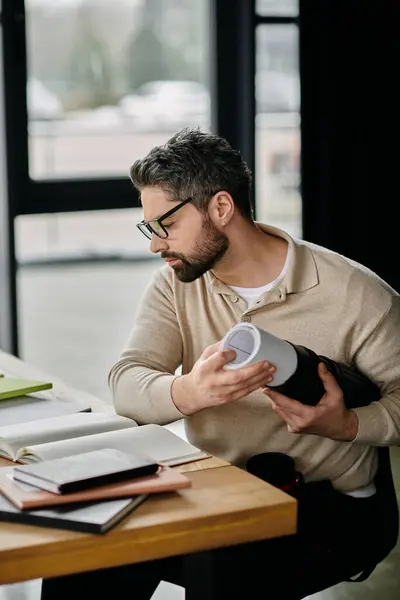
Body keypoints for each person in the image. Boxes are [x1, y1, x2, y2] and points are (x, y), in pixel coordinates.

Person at [41, 128, 400, 599]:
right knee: (86, 552)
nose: (155, 244)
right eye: (148, 228)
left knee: (227, 572)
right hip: (217, 489)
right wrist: (190, 392)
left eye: (164, 225)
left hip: (326, 505)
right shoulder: (176, 282)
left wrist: (349, 424)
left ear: (222, 209)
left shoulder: (357, 295)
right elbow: (126, 379)